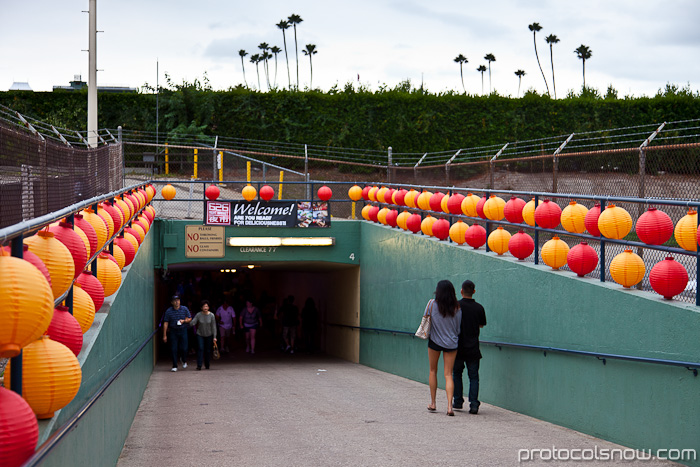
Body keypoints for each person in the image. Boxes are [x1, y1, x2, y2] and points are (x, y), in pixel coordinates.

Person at [425, 280, 461, 416]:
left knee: (433, 370)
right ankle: (449, 407)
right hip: (451, 343)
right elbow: (458, 328)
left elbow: (427, 320)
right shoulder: (457, 308)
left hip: (434, 341)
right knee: (448, 374)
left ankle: (433, 403)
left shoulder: (431, 304)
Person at [453, 280, 487, 414]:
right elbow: (481, 325)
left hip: (458, 347)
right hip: (473, 347)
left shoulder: (456, 306)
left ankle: (458, 401)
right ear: (474, 291)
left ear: (461, 291)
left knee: (457, 374)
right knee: (473, 377)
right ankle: (473, 404)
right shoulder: (479, 308)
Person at [163, 295, 192, 372]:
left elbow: (190, 318)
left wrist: (184, 321)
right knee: (174, 348)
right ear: (172, 302)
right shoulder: (168, 311)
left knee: (185, 348)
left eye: (178, 300)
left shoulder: (184, 309)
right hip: (173, 331)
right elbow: (166, 323)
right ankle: (174, 365)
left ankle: (183, 359)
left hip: (183, 330)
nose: (177, 302)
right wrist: (164, 335)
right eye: (175, 300)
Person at [190, 300, 218, 370]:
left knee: (208, 350)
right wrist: (189, 321)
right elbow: (193, 322)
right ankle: (199, 365)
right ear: (201, 308)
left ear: (208, 307)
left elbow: (214, 326)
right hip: (200, 334)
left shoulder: (212, 315)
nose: (205, 307)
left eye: (206, 306)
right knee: (200, 348)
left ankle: (207, 364)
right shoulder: (198, 315)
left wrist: (214, 337)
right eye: (204, 306)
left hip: (209, 334)